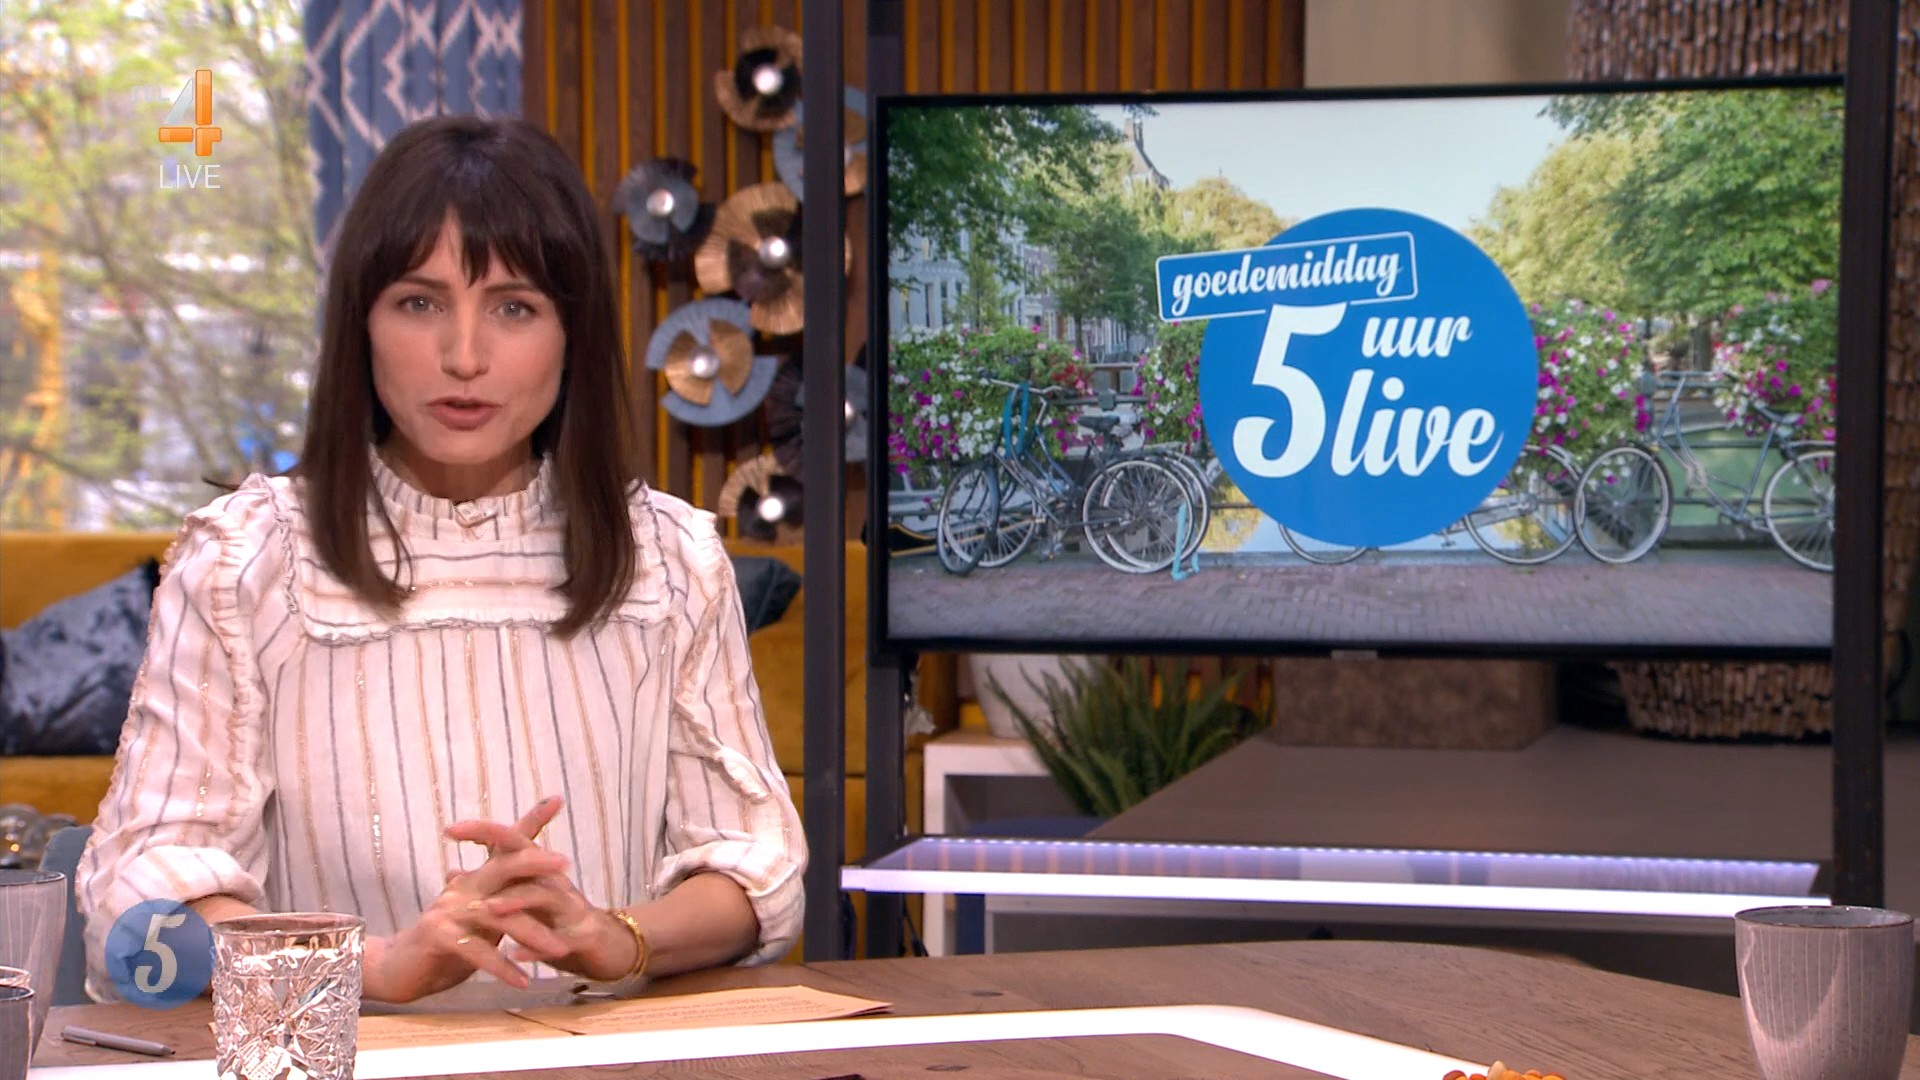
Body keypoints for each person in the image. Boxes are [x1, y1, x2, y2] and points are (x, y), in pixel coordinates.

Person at [75, 114, 807, 1008]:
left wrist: (615, 936)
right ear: (362, 323)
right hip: (344, 1054)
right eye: (420, 303)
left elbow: (755, 872)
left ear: (572, 333)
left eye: (514, 308)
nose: (465, 357)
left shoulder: (673, 559)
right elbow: (142, 907)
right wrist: (371, 969)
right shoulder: (245, 558)